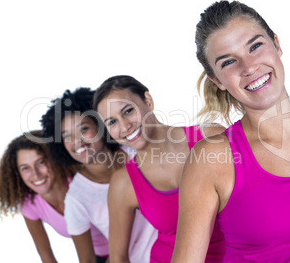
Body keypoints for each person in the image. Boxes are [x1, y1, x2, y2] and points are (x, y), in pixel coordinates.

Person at [171, 0, 290, 262]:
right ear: (217, 80)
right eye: (228, 62)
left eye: (255, 46)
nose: (249, 68)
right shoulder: (210, 160)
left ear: (277, 44)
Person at [94, 75, 226, 263]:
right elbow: (118, 259)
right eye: (112, 122)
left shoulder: (210, 137)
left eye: (128, 111)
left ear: (148, 101)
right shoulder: (124, 183)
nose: (125, 126)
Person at [41, 87, 157, 263]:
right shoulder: (76, 198)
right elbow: (87, 259)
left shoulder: (137, 151)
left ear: (101, 125)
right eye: (67, 136)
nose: (77, 141)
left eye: (84, 129)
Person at [0, 130, 74, 263]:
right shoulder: (30, 204)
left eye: (41, 162)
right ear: (17, 173)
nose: (35, 174)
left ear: (53, 159)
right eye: (25, 168)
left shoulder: (79, 183)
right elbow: (47, 258)